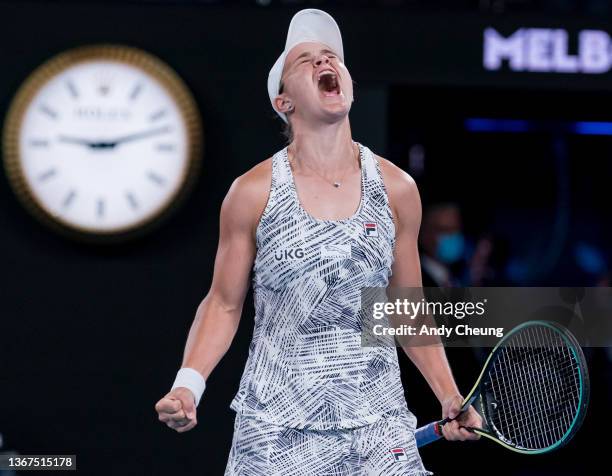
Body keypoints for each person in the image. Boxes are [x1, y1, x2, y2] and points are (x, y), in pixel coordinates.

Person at [155, 9, 481, 475]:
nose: (325, 60)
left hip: (378, 426)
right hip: (274, 431)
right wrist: (188, 385)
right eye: (306, 59)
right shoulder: (252, 192)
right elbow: (223, 304)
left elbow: (406, 308)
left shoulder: (397, 189)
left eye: (332, 57)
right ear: (283, 101)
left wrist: (449, 395)